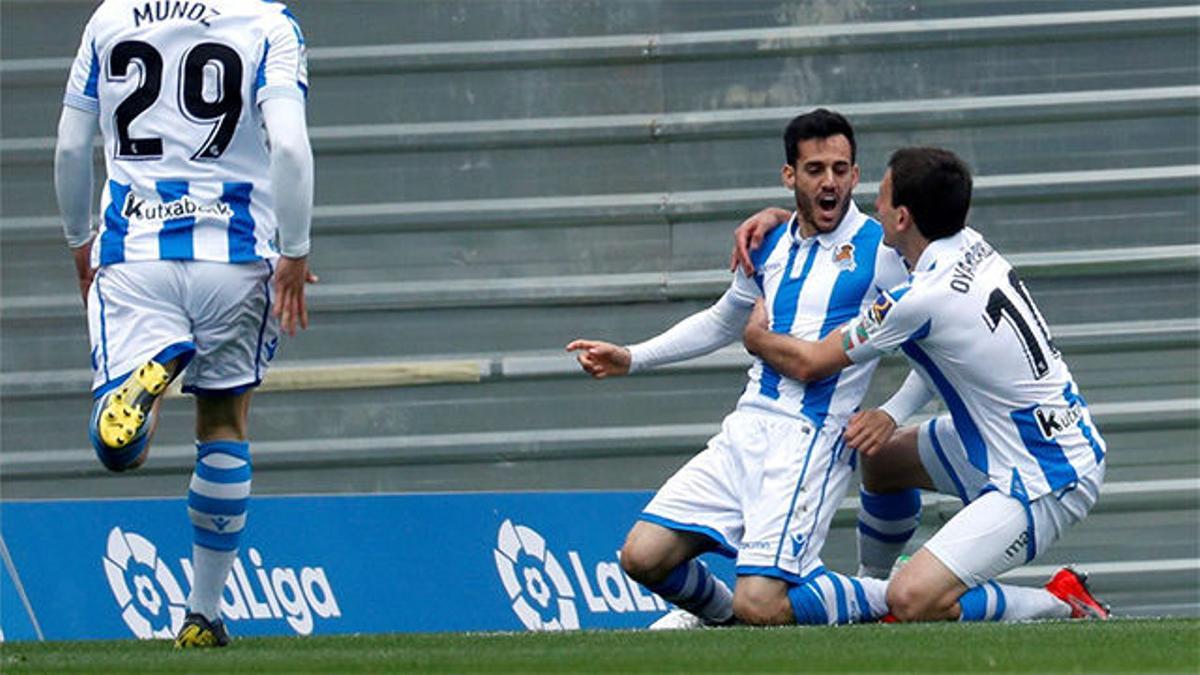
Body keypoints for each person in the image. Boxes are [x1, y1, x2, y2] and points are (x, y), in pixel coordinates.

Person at [737, 146, 1111, 622]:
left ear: (902, 219)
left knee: (913, 598)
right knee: (883, 461)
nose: (873, 205)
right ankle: (873, 589)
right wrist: (790, 221)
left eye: (883, 197)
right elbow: (944, 354)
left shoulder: (919, 298)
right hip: (1023, 434)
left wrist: (755, 337)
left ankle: (1060, 604)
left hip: (1046, 476)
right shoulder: (966, 243)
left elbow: (812, 362)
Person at [567, 109, 910, 628]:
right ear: (789, 176)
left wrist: (891, 410)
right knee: (642, 556)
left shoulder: (880, 250)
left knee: (763, 602)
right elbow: (722, 320)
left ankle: (898, 595)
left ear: (856, 176)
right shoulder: (769, 241)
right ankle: (722, 619)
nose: (830, 182)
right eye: (815, 169)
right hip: (747, 429)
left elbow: (938, 333)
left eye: (841, 169)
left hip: (811, 438)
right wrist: (633, 357)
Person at [55, 0, 315, 647]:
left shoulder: (109, 18)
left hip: (134, 252)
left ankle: (147, 378)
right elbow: (287, 143)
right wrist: (297, 248)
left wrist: (79, 239)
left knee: (118, 447)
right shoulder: (269, 23)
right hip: (234, 257)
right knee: (224, 422)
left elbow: (68, 144)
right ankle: (202, 613)